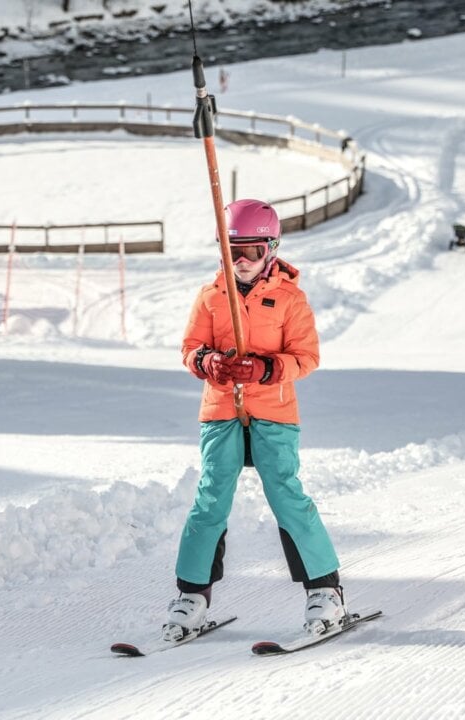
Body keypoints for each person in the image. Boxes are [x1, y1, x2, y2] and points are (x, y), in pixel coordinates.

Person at [166, 199, 344, 642]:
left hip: (273, 410)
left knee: (285, 493)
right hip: (221, 410)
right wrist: (208, 362)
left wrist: (266, 369)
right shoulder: (211, 296)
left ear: (272, 249)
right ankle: (192, 597)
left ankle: (326, 591)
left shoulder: (289, 298)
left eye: (252, 252)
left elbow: (307, 356)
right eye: (233, 253)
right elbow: (190, 346)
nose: (242, 263)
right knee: (210, 499)